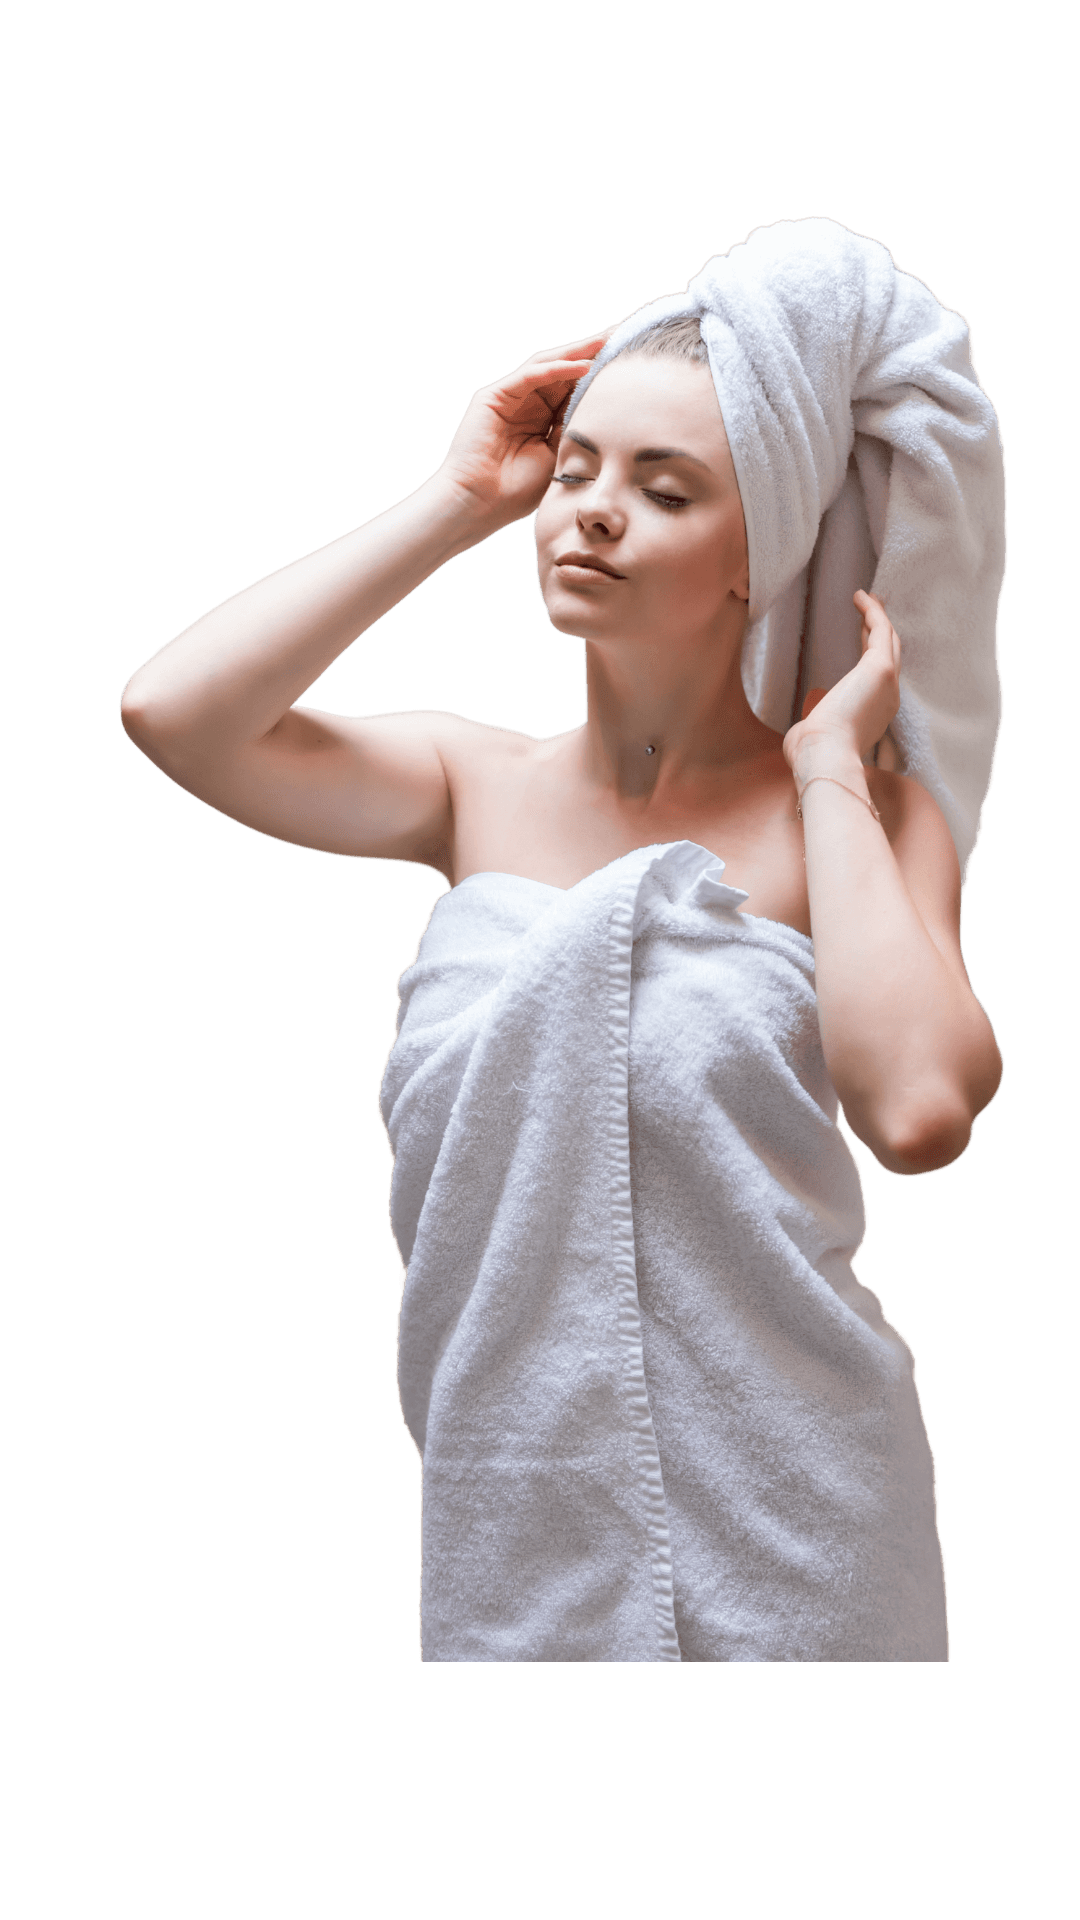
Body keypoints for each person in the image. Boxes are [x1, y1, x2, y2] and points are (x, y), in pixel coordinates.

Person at [120, 221, 1005, 1662]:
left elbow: (917, 1109)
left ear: (755, 555)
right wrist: (457, 498)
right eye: (577, 471)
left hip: (805, 1545)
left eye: (663, 490)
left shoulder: (856, 814)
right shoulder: (468, 785)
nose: (590, 511)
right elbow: (174, 713)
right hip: (516, 1533)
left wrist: (835, 764)